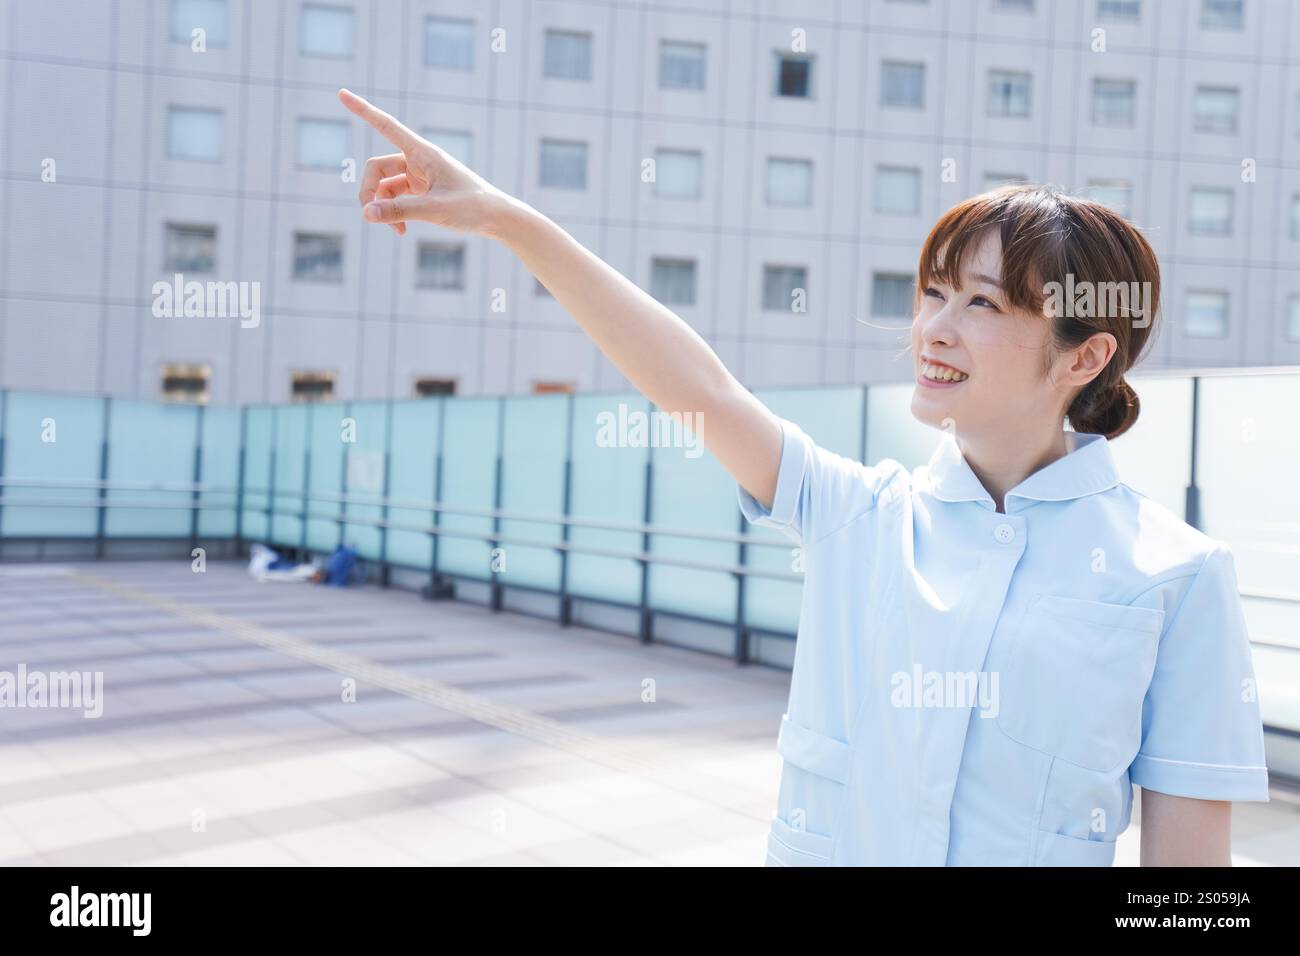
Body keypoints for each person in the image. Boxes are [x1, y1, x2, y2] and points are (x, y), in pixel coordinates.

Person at [336, 89, 1269, 867]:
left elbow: (1188, 877)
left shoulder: (1175, 573)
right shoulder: (854, 513)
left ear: (1084, 355)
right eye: (933, 293)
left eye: (980, 303)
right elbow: (695, 386)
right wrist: (510, 222)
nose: (933, 329)